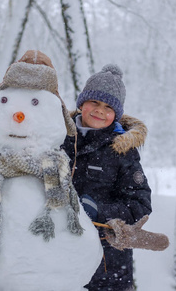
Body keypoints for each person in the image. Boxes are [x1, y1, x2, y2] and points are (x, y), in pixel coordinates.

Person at [62, 64, 152, 291]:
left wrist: (98, 210)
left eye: (108, 107)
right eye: (95, 102)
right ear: (82, 103)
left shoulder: (122, 151)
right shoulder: (58, 137)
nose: (100, 111)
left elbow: (140, 204)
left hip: (107, 266)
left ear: (117, 114)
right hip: (59, 254)